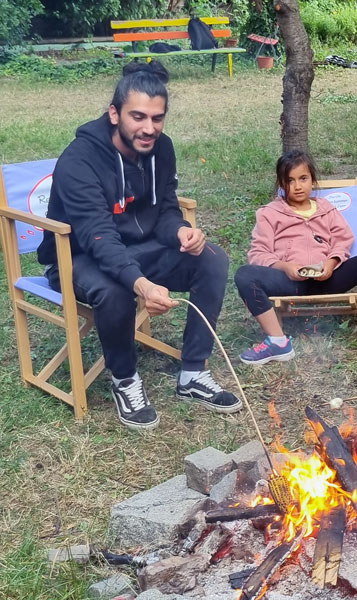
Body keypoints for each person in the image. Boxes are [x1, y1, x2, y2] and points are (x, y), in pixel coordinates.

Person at [37, 61, 241, 431]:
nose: (149, 128)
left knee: (211, 259)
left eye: (158, 118)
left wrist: (180, 231)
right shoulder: (79, 160)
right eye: (138, 116)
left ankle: (193, 372)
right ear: (114, 113)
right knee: (115, 289)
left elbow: (164, 209)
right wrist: (142, 284)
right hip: (80, 255)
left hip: (139, 247)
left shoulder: (162, 149)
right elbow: (98, 236)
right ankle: (125, 380)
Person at [234, 150, 357, 363]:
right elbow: (258, 253)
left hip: (328, 278)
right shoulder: (269, 213)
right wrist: (285, 267)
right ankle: (277, 342)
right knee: (244, 275)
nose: (297, 186)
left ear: (312, 179)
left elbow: (343, 240)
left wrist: (330, 263)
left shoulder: (326, 208)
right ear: (281, 184)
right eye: (290, 180)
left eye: (303, 178)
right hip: (289, 282)